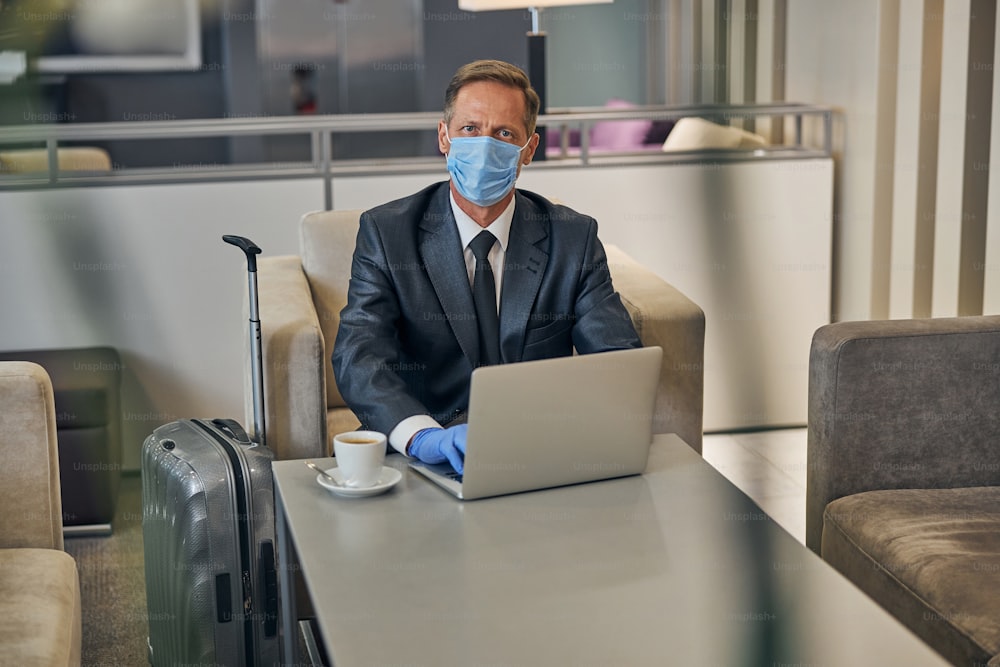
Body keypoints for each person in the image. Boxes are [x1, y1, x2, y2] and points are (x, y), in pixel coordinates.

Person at [332, 59, 641, 473]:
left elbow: (617, 363)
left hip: (538, 453)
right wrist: (423, 437)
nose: (484, 145)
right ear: (444, 137)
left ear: (528, 150)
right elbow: (359, 355)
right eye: (470, 129)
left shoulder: (573, 238)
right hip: (423, 456)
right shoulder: (388, 233)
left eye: (504, 133)